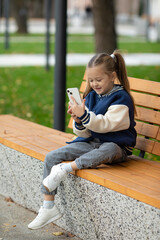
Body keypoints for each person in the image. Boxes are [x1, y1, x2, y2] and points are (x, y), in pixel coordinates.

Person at [28, 50, 137, 230]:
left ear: (113, 76)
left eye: (98, 80)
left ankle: (66, 168)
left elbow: (105, 125)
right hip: (93, 143)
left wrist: (85, 115)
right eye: (91, 80)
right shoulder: (92, 96)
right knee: (52, 156)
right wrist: (79, 120)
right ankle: (48, 207)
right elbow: (85, 134)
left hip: (118, 147)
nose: (94, 84)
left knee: (107, 149)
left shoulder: (121, 98)